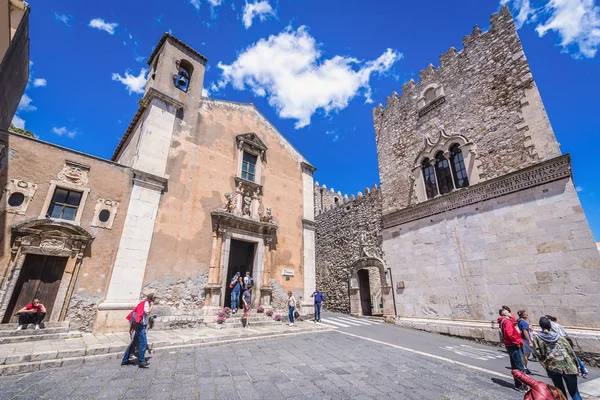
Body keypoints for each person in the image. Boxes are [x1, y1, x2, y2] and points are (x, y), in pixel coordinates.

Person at [534, 317, 583, 400]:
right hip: (568, 367)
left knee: (560, 392)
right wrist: (577, 366)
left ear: (541, 326)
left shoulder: (538, 338)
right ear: (550, 326)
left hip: (553, 367)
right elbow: (571, 352)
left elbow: (539, 354)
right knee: (574, 392)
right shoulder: (561, 337)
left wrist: (545, 362)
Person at [122, 293, 155, 368]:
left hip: (138, 325)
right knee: (143, 343)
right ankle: (141, 361)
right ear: (152, 298)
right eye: (154, 298)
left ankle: (125, 359)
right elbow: (147, 312)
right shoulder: (147, 303)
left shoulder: (144, 303)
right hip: (140, 326)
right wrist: (152, 306)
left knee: (134, 343)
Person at [498, 309, 525, 390]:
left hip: (509, 344)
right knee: (519, 366)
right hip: (513, 344)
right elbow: (510, 333)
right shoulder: (507, 322)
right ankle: (523, 384)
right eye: (509, 312)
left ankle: (517, 383)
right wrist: (517, 342)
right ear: (506, 314)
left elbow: (514, 323)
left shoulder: (504, 321)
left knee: (514, 364)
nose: (511, 313)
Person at [517, 310, 535, 374]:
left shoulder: (519, 321)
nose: (527, 315)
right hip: (527, 340)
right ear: (522, 315)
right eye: (525, 314)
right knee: (538, 354)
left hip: (523, 339)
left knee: (526, 354)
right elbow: (525, 332)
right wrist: (530, 341)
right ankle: (549, 371)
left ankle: (525, 367)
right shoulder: (523, 322)